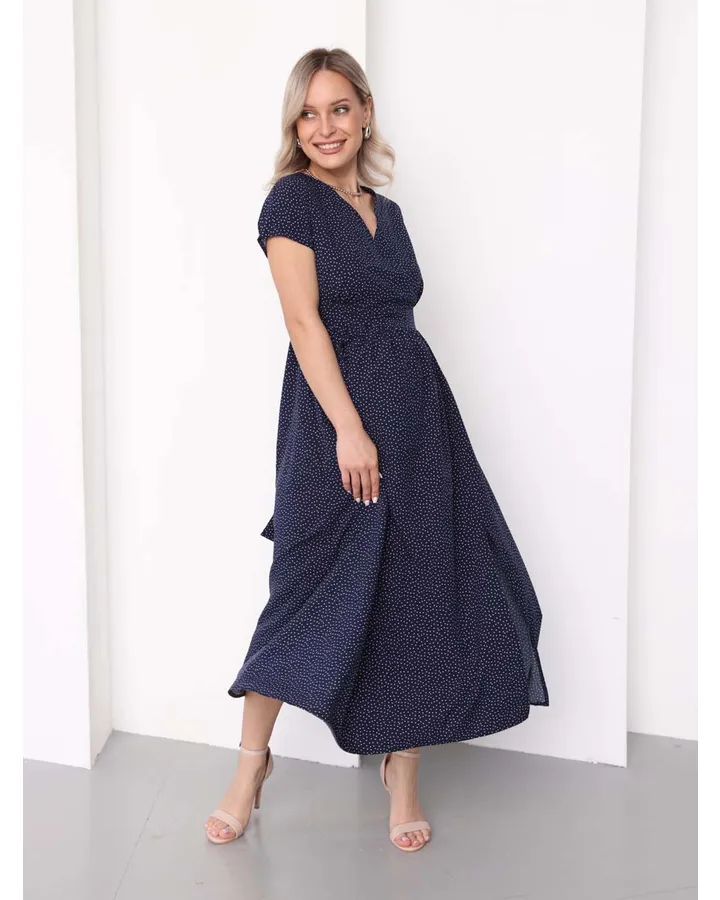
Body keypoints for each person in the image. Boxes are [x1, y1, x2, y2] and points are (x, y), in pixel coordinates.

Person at [205, 47, 549, 853]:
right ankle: (250, 769)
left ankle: (403, 772)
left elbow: (401, 317)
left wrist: (397, 424)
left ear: (364, 113)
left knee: (416, 590)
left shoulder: (386, 213)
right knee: (302, 590)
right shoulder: (291, 203)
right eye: (308, 113)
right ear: (295, 125)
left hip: (419, 419)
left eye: (339, 108)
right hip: (334, 426)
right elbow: (304, 323)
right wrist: (349, 429)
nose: (325, 127)